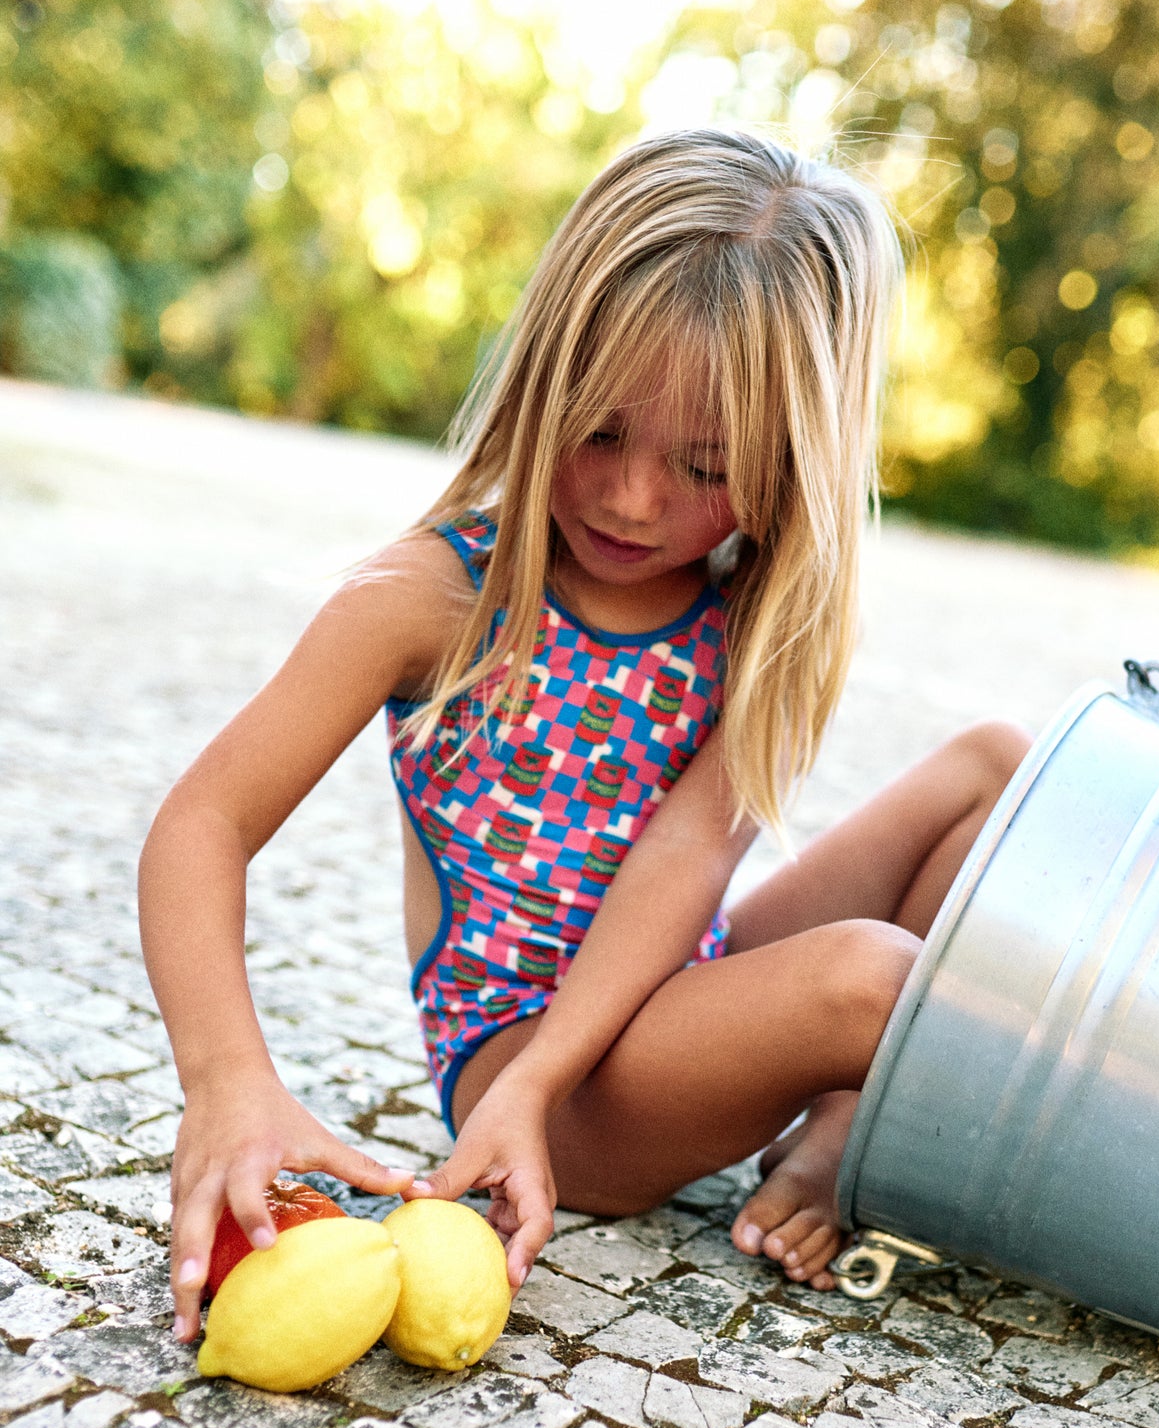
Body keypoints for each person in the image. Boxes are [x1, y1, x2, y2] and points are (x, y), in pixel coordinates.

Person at [141, 127, 1031, 1344]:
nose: (633, 497)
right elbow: (202, 822)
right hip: (527, 1083)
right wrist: (229, 1084)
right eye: (600, 430)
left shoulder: (751, 626)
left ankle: (834, 1144)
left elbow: (682, 869)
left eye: (705, 465)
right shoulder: (431, 599)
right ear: (542, 373)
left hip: (666, 986)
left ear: (793, 463)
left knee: (993, 767)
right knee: (873, 979)